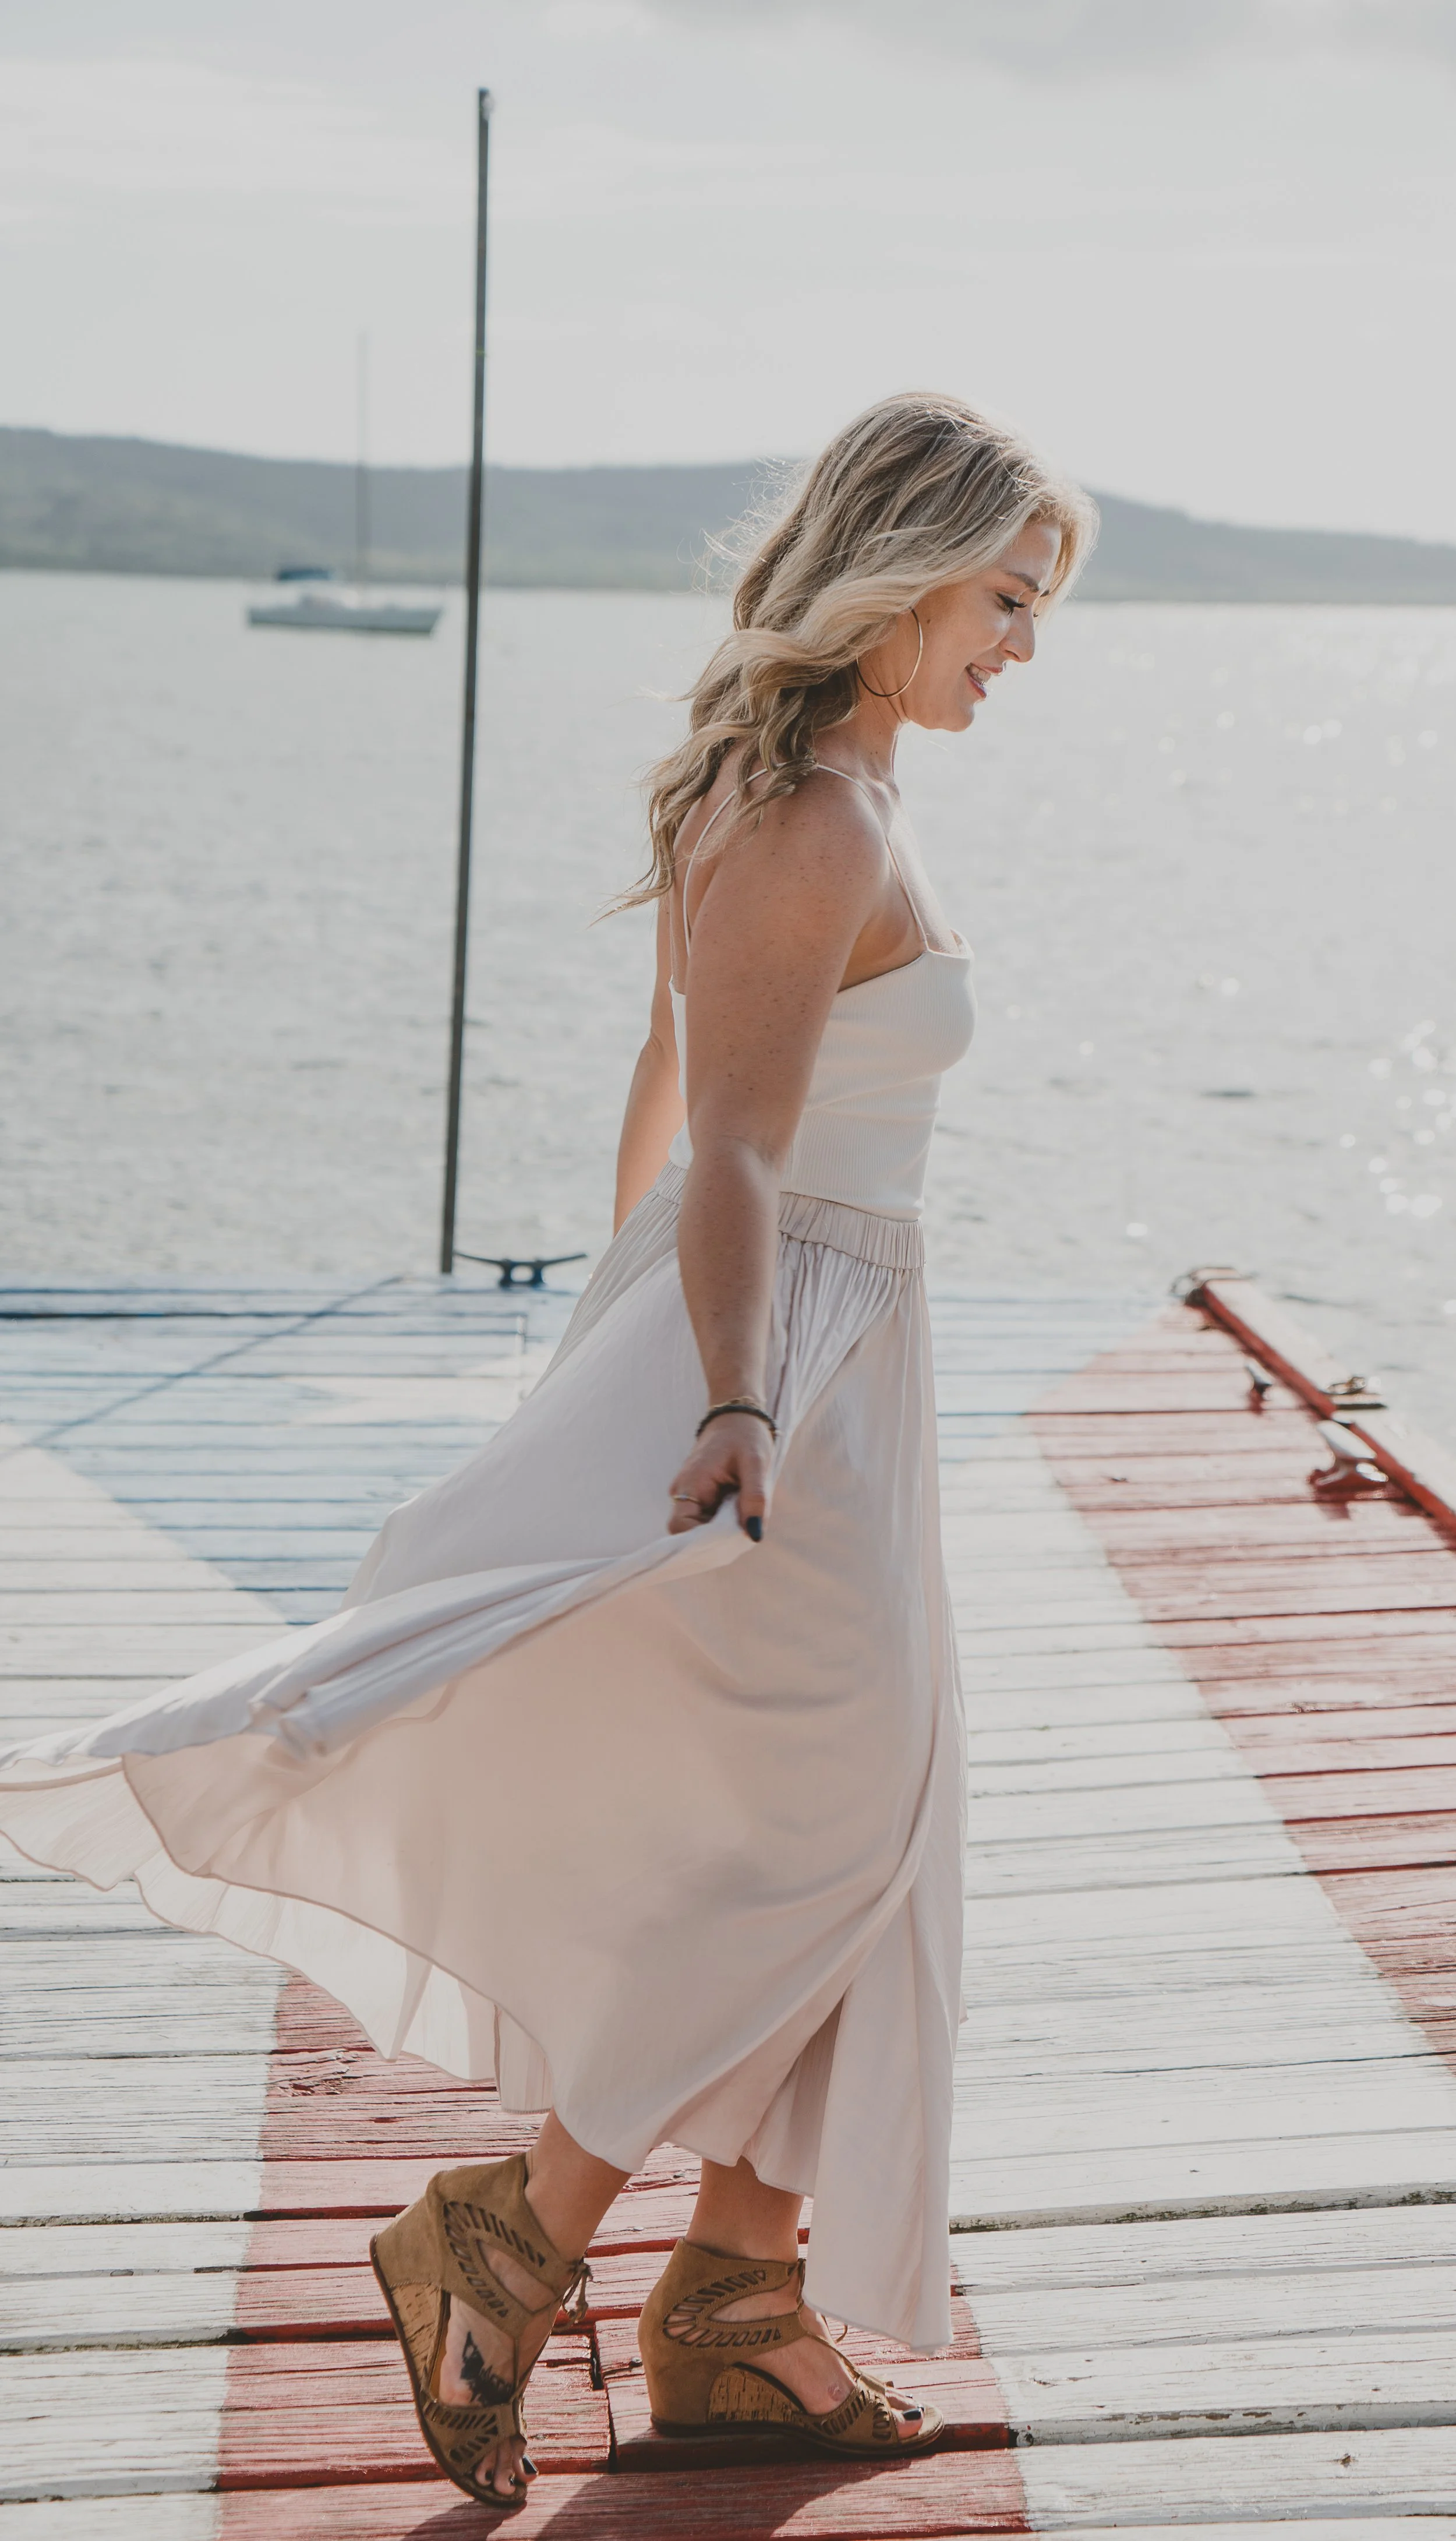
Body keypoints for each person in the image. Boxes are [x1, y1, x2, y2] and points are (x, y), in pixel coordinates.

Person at [0, 391, 1094, 2510]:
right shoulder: (818, 826)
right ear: (896, 579)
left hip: (812, 1345)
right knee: (828, 1846)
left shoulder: (839, 785)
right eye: (1005, 599)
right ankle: (510, 2235)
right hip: (790, 1364)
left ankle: (737, 2318)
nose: (1021, 648)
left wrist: (620, 1340)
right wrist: (712, 1392)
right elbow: (740, 1152)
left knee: (876, 1844)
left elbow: (665, 1094)